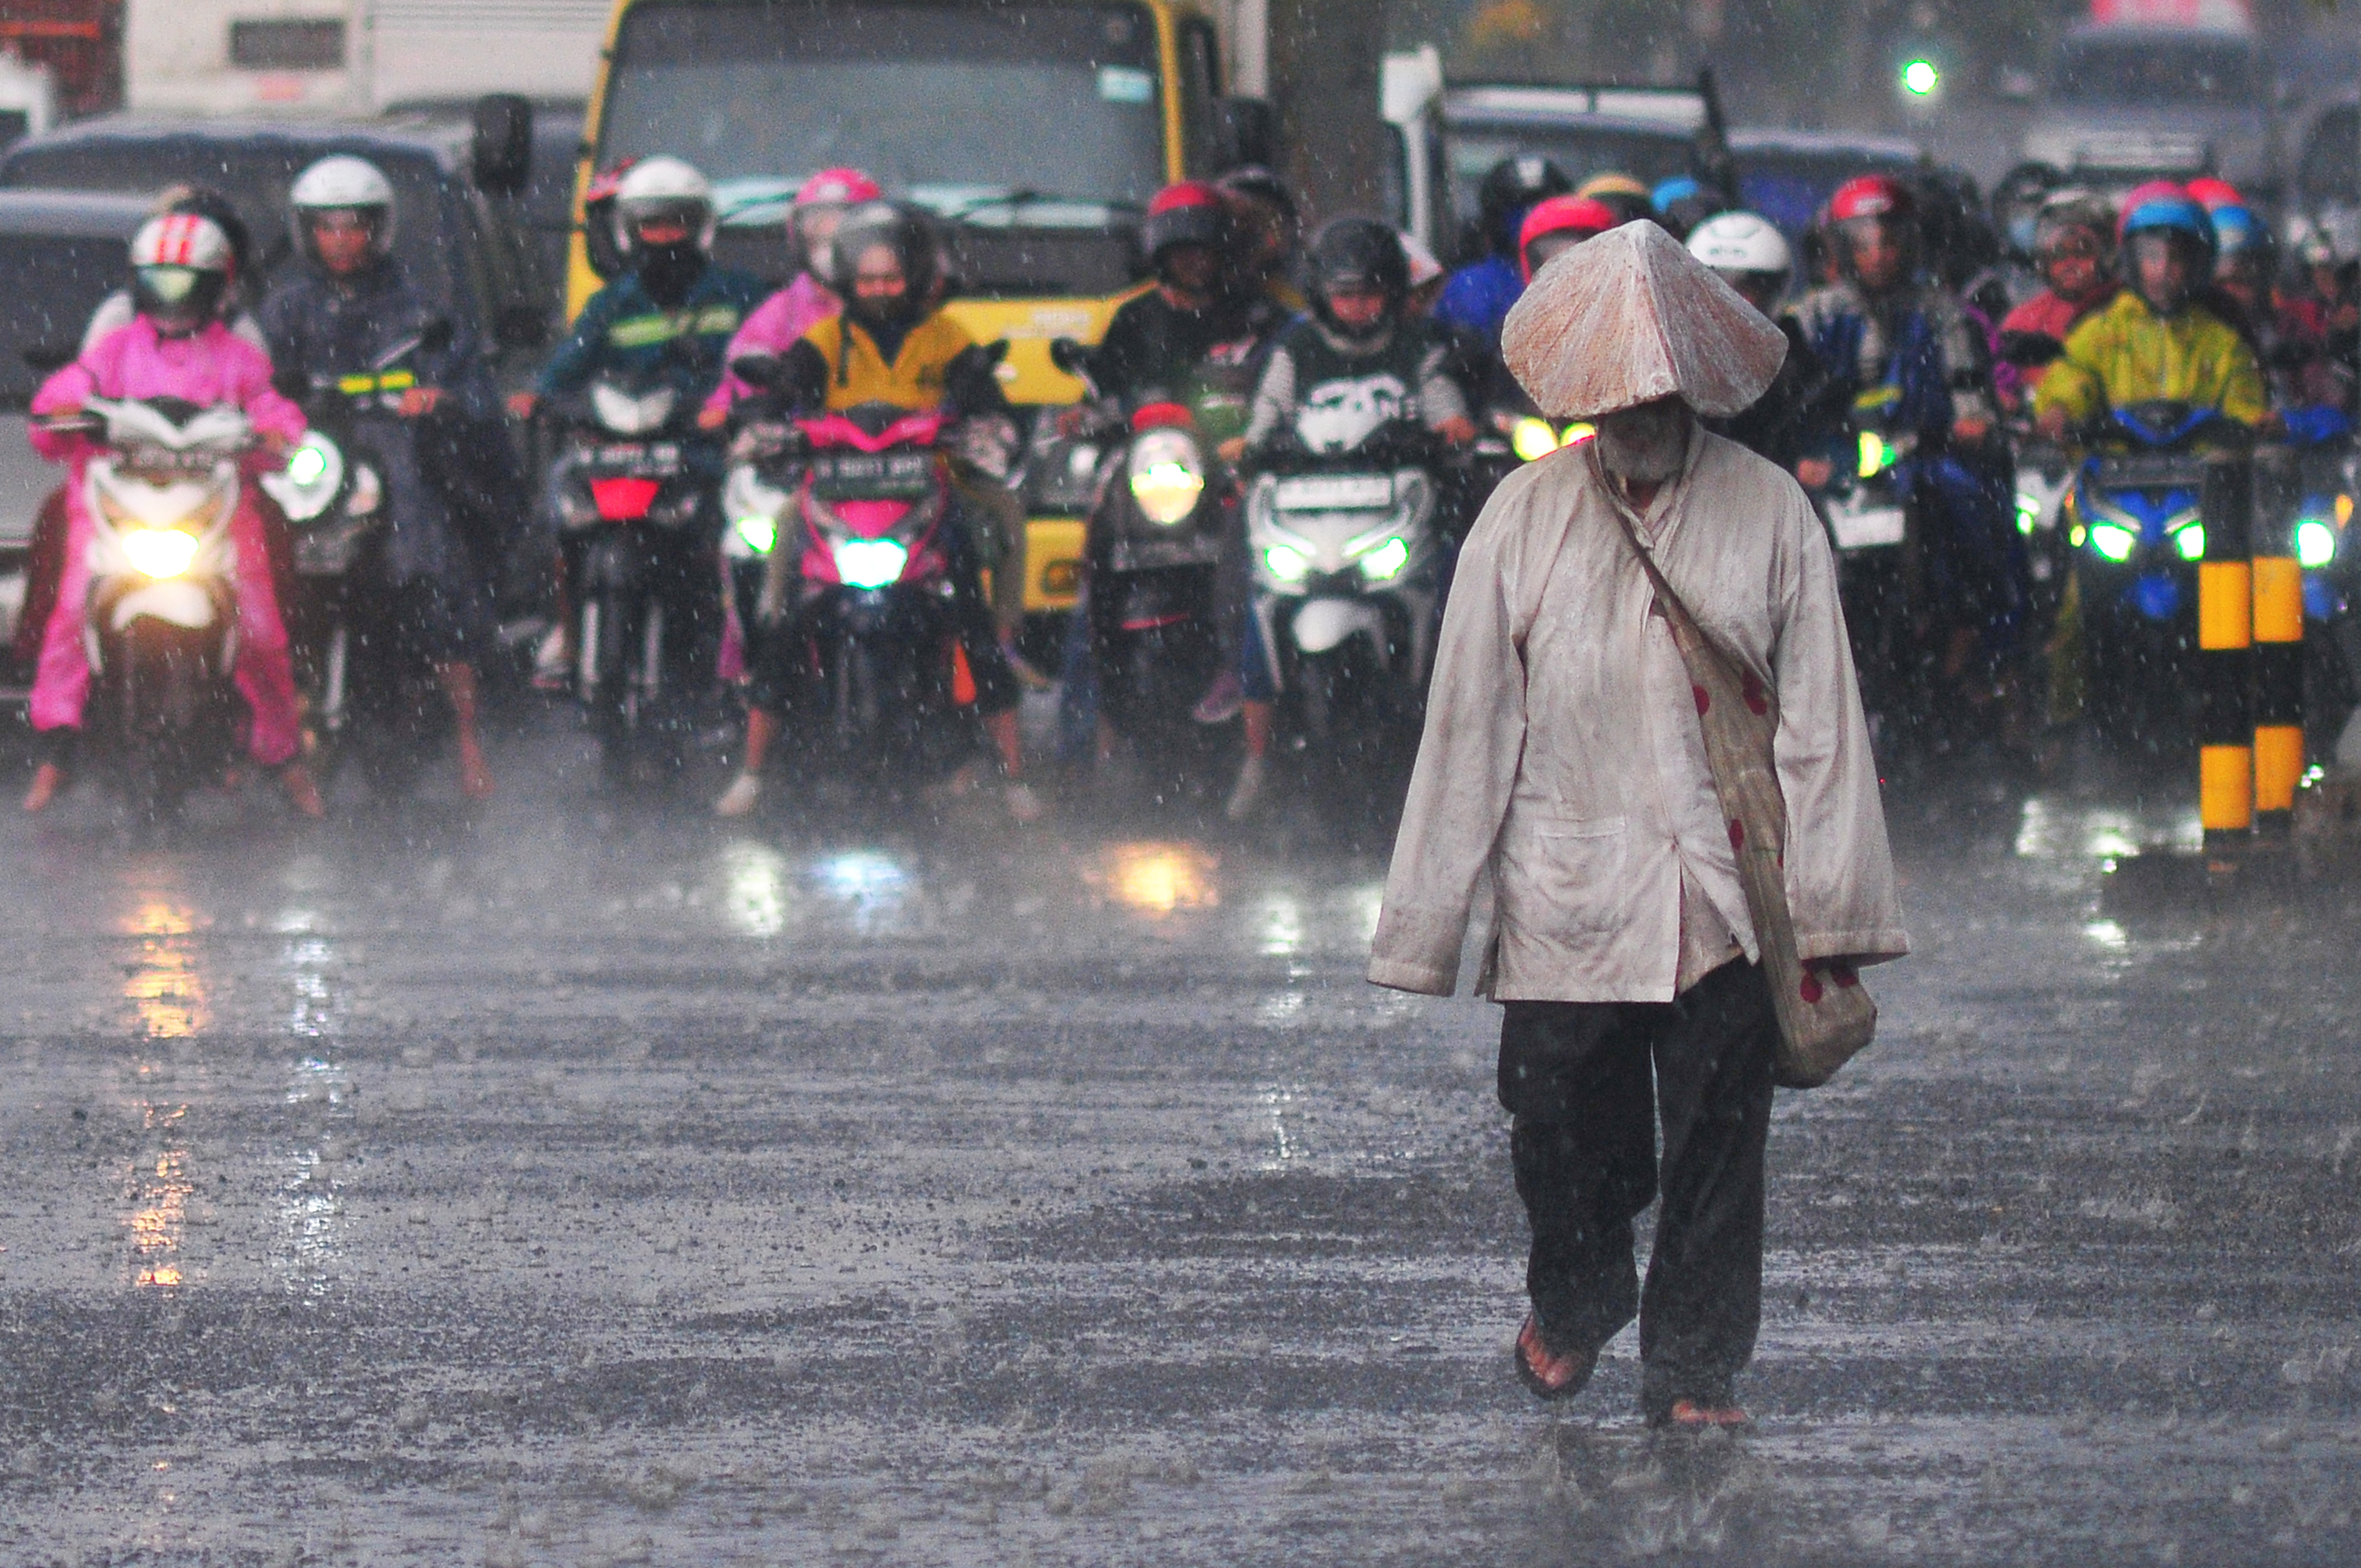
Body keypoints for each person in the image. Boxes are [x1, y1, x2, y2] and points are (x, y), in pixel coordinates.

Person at [1368, 221, 1907, 1427]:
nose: (1636, 410)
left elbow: (1821, 726)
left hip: (1721, 891)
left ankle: (1693, 1368)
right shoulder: (1518, 519)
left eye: (1655, 388)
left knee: (1720, 1131)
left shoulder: (1771, 513)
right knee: (1559, 1124)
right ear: (1581, 401)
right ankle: (1575, 1296)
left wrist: (1831, 912)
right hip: (1562, 891)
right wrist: (1423, 926)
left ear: (1695, 386)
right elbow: (1465, 723)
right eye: (1613, 392)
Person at [711, 200, 1041, 822]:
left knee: (982, 568)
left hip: (931, 492)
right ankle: (753, 767)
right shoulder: (826, 339)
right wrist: (765, 417)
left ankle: (1013, 756)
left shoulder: (946, 336)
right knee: (784, 586)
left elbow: (982, 393)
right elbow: (784, 387)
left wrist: (982, 421)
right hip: (837, 495)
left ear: (914, 277)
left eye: (891, 278)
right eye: (867, 280)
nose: (880, 290)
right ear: (846, 281)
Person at [22, 213, 323, 816]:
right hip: (119, 512)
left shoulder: (237, 357)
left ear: (216, 288)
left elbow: (271, 409)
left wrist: (281, 438)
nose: (172, 299)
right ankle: (57, 745)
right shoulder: (115, 347)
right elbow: (67, 392)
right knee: (73, 615)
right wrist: (59, 412)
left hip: (216, 518)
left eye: (186, 285)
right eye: (159, 284)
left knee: (261, 631)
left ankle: (283, 754)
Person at [259, 155, 507, 800]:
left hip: (398, 463)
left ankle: (467, 739)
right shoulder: (286, 311)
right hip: (315, 466)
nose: (342, 241)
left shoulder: (422, 310)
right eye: (327, 228)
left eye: (354, 227)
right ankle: (254, 733)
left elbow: (473, 390)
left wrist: (440, 400)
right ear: (306, 232)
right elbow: (253, 386)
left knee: (432, 569)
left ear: (379, 229)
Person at [1223, 218, 1477, 820]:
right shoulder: (1295, 349)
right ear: (1321, 295)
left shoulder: (1421, 346)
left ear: (1392, 292)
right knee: (1254, 610)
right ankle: (1256, 759)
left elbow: (1447, 407)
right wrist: (1248, 446)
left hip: (1399, 515)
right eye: (1344, 294)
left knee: (1460, 605)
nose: (1357, 306)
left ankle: (1460, 753)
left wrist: (1452, 429)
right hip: (1303, 521)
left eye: (1369, 293)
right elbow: (1263, 420)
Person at [516, 156, 767, 716]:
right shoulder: (611, 304)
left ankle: (742, 649)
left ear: (700, 226)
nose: (663, 237)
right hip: (625, 454)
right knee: (559, 508)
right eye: (650, 225)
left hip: (705, 455)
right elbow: (567, 368)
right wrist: (541, 397)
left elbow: (762, 364)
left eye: (675, 223)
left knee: (749, 538)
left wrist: (732, 408)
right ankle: (568, 632)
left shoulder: (738, 294)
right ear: (630, 231)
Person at [1792, 173, 2025, 726]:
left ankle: (1972, 645)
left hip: (1921, 458)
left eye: (1889, 241)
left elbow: (1968, 386)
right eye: (1863, 243)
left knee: (1972, 510)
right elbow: (1788, 390)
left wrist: (1972, 420)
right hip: (1834, 465)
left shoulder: (1941, 313)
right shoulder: (1815, 315)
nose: (1878, 256)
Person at [1075, 182, 1287, 736]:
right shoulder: (1132, 319)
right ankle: (1084, 732)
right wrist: (1084, 417)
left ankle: (1248, 685)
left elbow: (1286, 382)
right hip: (1148, 477)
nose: (1194, 264)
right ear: (1160, 257)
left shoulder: (1258, 317)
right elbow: (1098, 393)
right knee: (1093, 572)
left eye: (1204, 252)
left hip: (1234, 472)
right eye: (1182, 253)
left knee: (1259, 570)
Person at [2033, 185, 2268, 443]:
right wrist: (2059, 410)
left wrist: (2254, 424)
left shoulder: (2222, 342)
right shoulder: (2103, 330)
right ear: (2131, 261)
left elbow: (2246, 405)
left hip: (2200, 474)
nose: (2163, 269)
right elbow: (2073, 374)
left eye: (2176, 258)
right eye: (2152, 256)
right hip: (2113, 473)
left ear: (2196, 264)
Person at [701, 167, 881, 429]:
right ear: (799, 237)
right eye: (819, 233)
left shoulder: (901, 297)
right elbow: (742, 367)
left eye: (846, 232)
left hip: (898, 434)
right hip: (810, 439)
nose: (830, 247)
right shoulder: (785, 308)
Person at [1687, 211, 1835, 474]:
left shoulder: (1799, 371)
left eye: (1745, 290)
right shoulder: (1670, 365)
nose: (1730, 305)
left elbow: (1823, 439)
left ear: (1773, 293)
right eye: (1715, 288)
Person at [1434, 156, 1571, 351]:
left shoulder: (1585, 279)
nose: (1529, 219)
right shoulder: (1472, 285)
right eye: (1519, 211)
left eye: (1540, 208)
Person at [1996, 189, 2119, 401]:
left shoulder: (2124, 312)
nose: (2070, 264)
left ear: (2103, 257)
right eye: (2059, 255)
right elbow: (2005, 383)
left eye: (2082, 252)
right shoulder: (2024, 321)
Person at [1216, 165, 1306, 314]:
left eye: (1273, 221)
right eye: (1244, 222)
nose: (1257, 233)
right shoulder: (1199, 288)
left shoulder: (1304, 291)